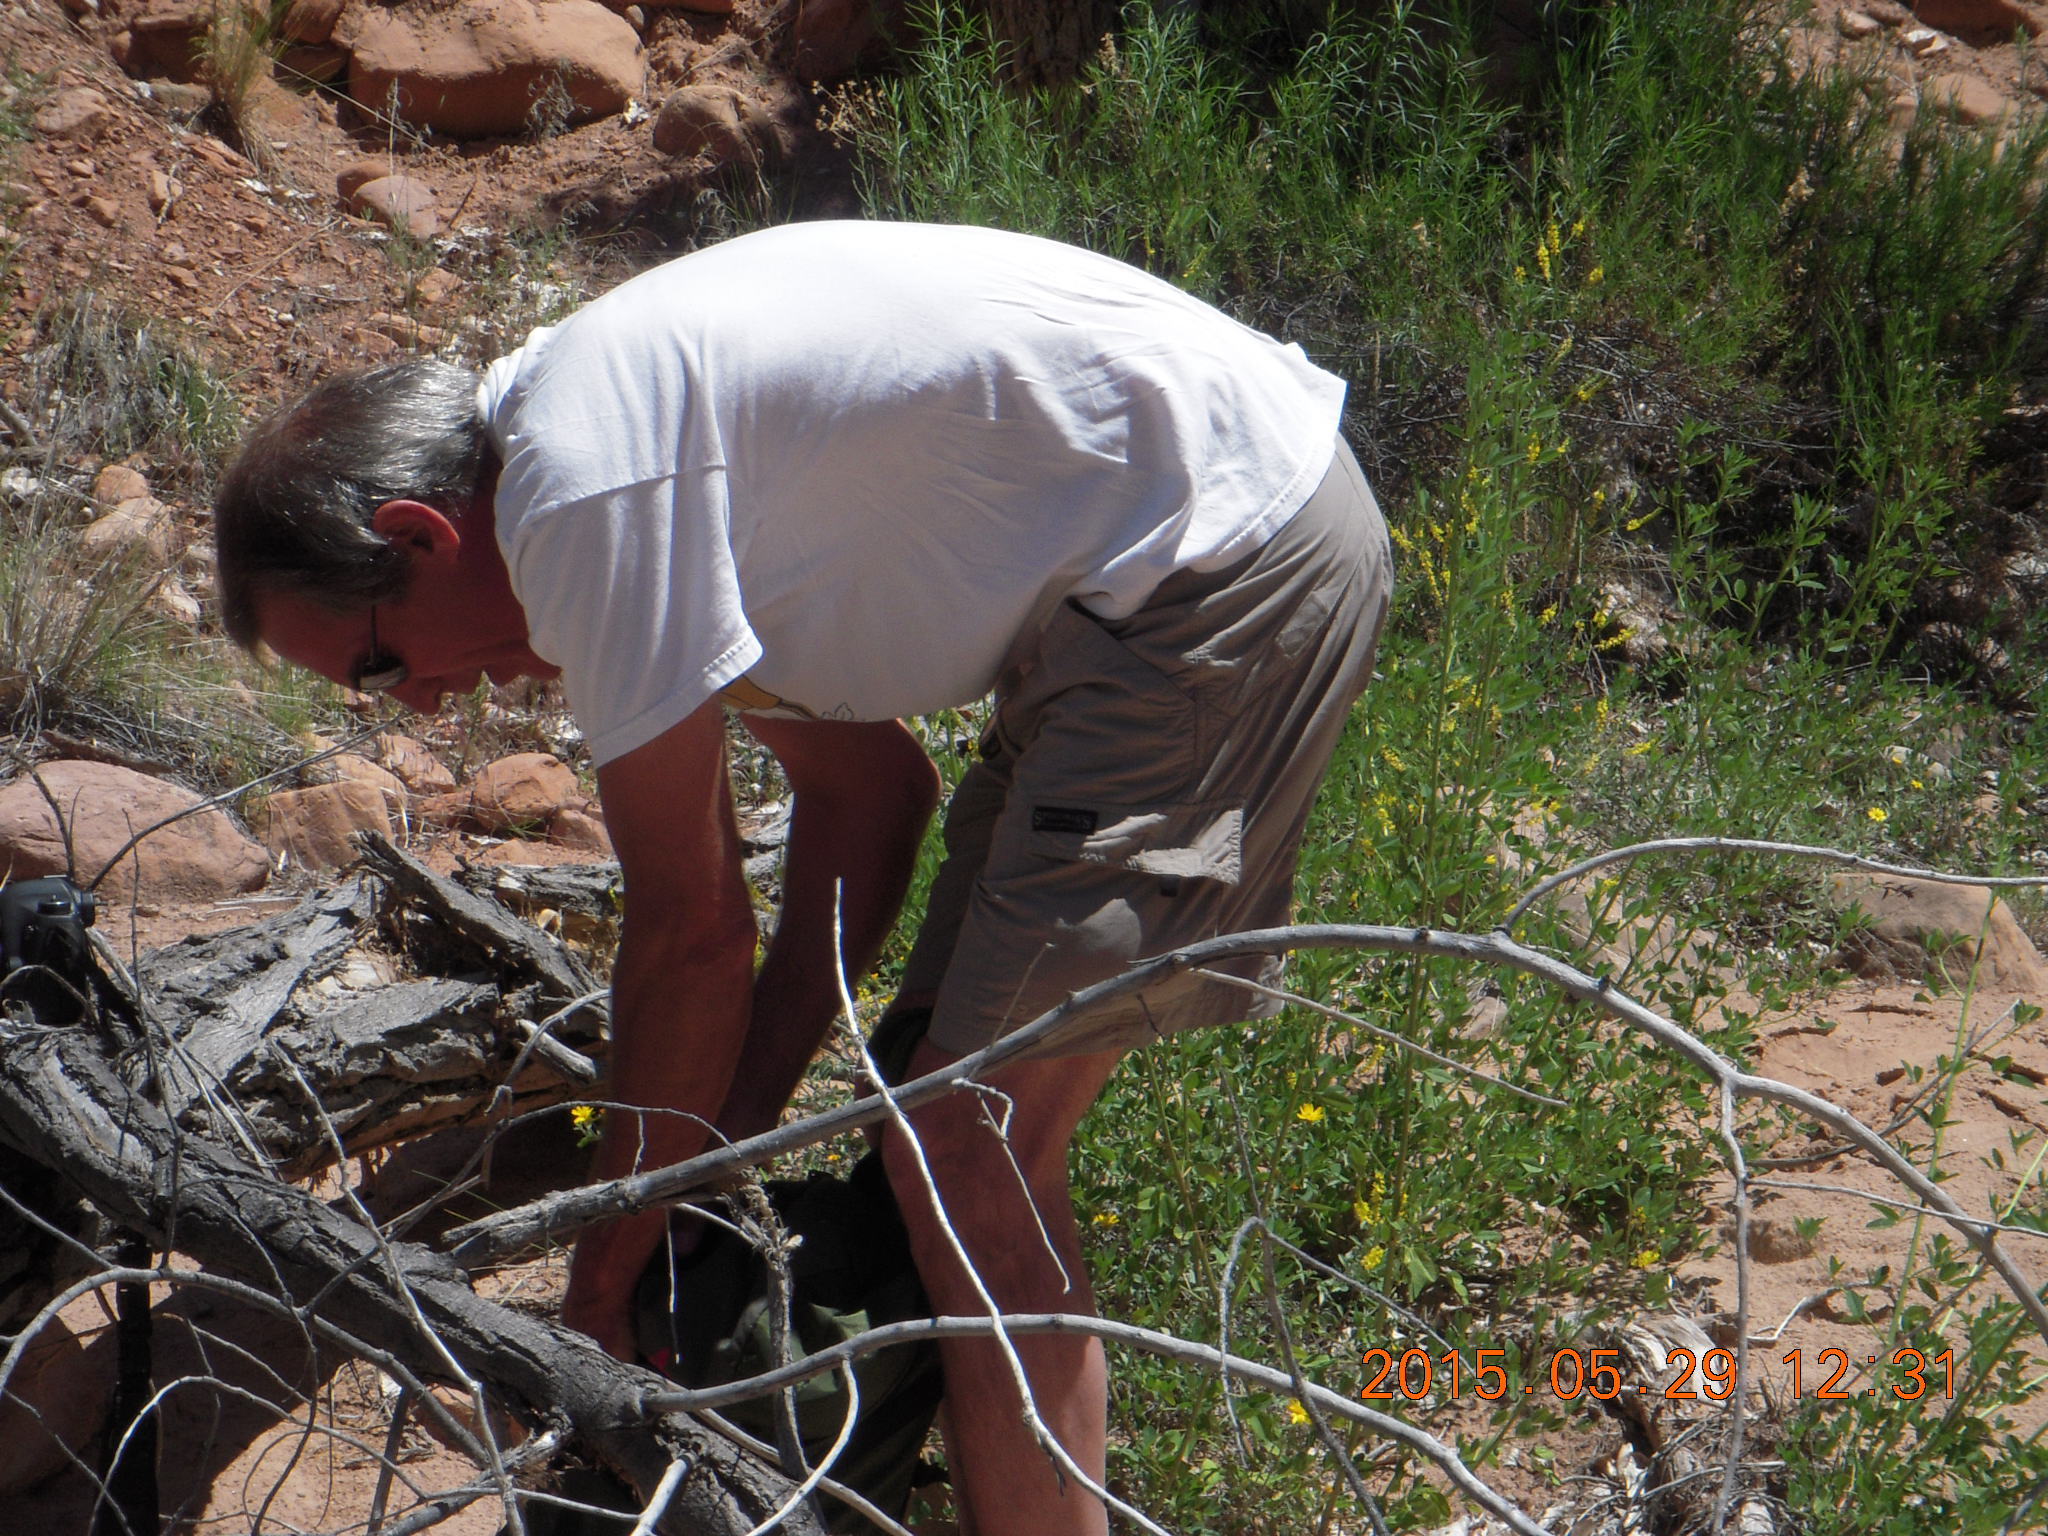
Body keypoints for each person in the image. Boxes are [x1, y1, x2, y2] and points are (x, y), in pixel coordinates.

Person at [213, 219, 1392, 1536]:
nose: (422, 705)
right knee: (933, 1131)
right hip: (1148, 592)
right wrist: (714, 1152)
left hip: (1223, 569)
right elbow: (868, 801)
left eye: (382, 666)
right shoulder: (614, 452)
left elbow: (692, 936)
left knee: (973, 1149)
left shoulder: (582, 494)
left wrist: (600, 1279)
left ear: (420, 534)